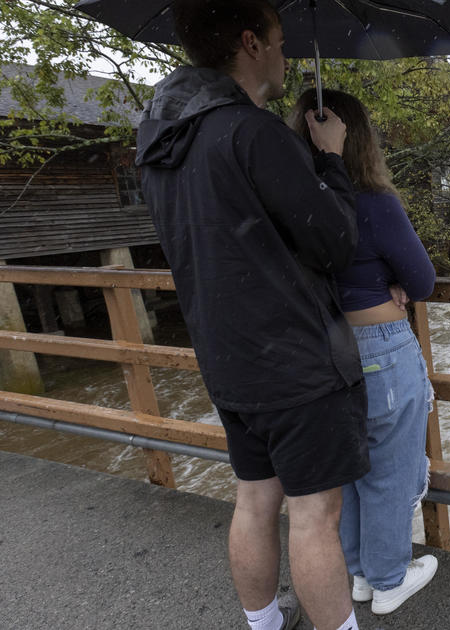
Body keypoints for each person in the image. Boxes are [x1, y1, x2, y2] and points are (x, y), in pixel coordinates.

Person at [135, 2, 368, 629]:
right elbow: (335, 242)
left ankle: (262, 624)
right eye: (280, 42)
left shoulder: (162, 142)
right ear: (249, 43)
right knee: (316, 515)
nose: (287, 56)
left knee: (256, 500)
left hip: (227, 361)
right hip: (295, 362)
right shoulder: (252, 132)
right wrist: (329, 160)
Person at [288, 88, 439, 616]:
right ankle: (389, 579)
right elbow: (422, 280)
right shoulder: (373, 204)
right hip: (381, 345)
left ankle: (358, 574)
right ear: (362, 140)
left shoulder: (290, 207)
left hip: (325, 347)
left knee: (351, 470)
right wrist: (394, 284)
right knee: (390, 474)